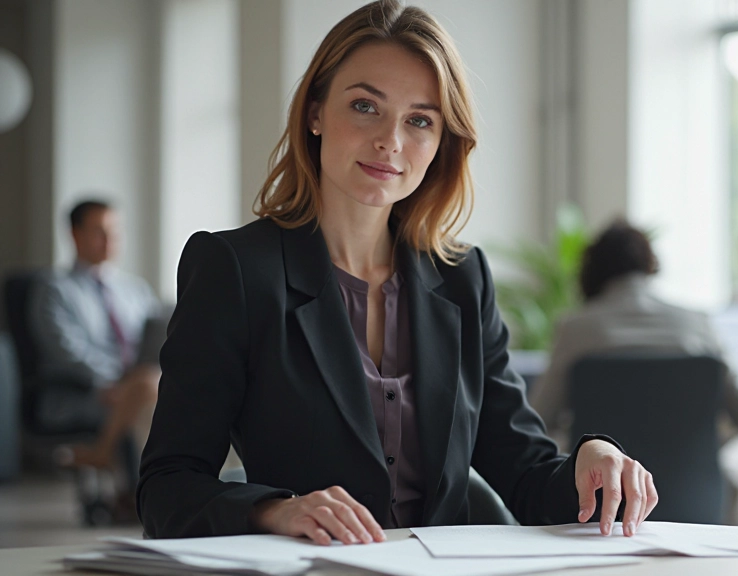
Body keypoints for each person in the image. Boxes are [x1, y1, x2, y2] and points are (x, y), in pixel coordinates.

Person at [138, 0, 656, 544]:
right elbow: (167, 487)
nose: (391, 141)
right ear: (315, 111)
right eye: (365, 106)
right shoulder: (236, 271)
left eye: (419, 120)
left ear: (440, 142)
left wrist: (589, 461)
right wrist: (277, 512)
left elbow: (522, 471)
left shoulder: (462, 277)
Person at [529, 219, 738, 451]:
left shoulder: (576, 329)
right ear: (650, 265)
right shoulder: (698, 324)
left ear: (590, 272)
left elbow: (536, 421)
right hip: (693, 483)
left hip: (603, 485)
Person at [29, 200, 162, 471]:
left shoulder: (135, 289)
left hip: (137, 385)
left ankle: (127, 480)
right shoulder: (54, 290)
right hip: (85, 393)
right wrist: (111, 384)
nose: (110, 240)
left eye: (115, 232)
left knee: (156, 386)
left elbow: (156, 339)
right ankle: (144, 490)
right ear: (75, 234)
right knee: (148, 389)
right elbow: (67, 351)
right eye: (100, 231)